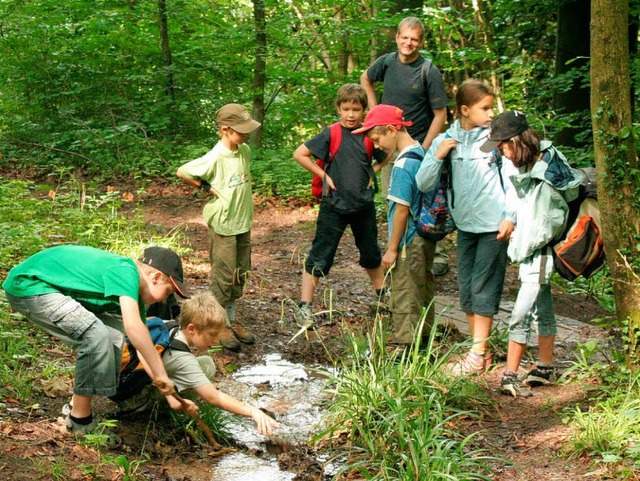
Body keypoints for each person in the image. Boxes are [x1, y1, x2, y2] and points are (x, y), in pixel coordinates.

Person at [2, 245, 188, 435]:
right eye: (168, 292)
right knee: (96, 334)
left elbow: (142, 345)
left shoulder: (133, 291)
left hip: (43, 287)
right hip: (29, 285)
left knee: (113, 335)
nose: (166, 300)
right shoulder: (127, 272)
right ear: (155, 277)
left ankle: (75, 406)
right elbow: (133, 327)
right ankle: (79, 422)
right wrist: (162, 375)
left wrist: (167, 390)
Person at [416, 80, 519, 374]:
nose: (490, 114)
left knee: (484, 287)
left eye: (491, 107)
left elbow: (513, 181)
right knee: (467, 290)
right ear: (464, 110)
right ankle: (480, 352)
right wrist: (438, 155)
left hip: (494, 225)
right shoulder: (446, 139)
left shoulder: (496, 141)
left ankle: (476, 354)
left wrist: (510, 216)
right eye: (484, 108)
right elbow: (422, 183)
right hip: (465, 226)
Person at [478, 111, 582, 397]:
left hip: (539, 251)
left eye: (502, 146)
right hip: (537, 250)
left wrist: (518, 250)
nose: (501, 152)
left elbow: (543, 226)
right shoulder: (538, 158)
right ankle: (545, 367)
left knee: (521, 313)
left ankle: (509, 376)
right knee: (542, 307)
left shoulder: (543, 176)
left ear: (516, 141)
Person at [292, 83, 389, 328]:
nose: (351, 114)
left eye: (356, 109)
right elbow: (300, 154)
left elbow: (388, 151)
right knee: (320, 255)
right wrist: (324, 175)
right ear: (338, 108)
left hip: (363, 205)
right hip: (333, 205)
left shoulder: (368, 134)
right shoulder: (331, 133)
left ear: (364, 110)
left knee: (371, 253)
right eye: (346, 108)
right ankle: (304, 307)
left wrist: (372, 172)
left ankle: (384, 298)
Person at [360, 16, 450, 276]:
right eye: (404, 38)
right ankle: (396, 249)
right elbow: (365, 78)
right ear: (397, 38)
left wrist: (426, 147)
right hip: (391, 144)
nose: (408, 43)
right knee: (394, 199)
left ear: (420, 42)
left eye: (414, 39)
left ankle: (436, 255)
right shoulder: (387, 62)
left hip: (418, 145)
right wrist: (374, 109)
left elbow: (440, 114)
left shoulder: (428, 70)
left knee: (425, 199)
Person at [118, 291, 280, 435]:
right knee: (204, 368)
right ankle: (161, 411)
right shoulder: (182, 358)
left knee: (207, 363)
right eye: (212, 335)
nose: (216, 341)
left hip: (123, 382)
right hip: (132, 399)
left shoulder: (168, 325)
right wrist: (252, 411)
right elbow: (213, 397)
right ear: (191, 329)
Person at [176, 103, 261, 352]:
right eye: (241, 130)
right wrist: (207, 188)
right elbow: (183, 171)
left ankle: (231, 318)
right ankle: (217, 323)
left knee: (240, 272)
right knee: (224, 274)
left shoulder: (243, 150)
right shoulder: (215, 157)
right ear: (225, 130)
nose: (246, 135)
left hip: (243, 220)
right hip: (224, 223)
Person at [353, 104, 436, 347]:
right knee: (422, 287)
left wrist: (391, 249)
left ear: (391, 129)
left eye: (377, 139)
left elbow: (401, 210)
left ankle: (406, 346)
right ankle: (424, 338)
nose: (376, 146)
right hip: (424, 235)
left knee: (404, 291)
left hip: (407, 240)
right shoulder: (421, 153)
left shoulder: (402, 165)